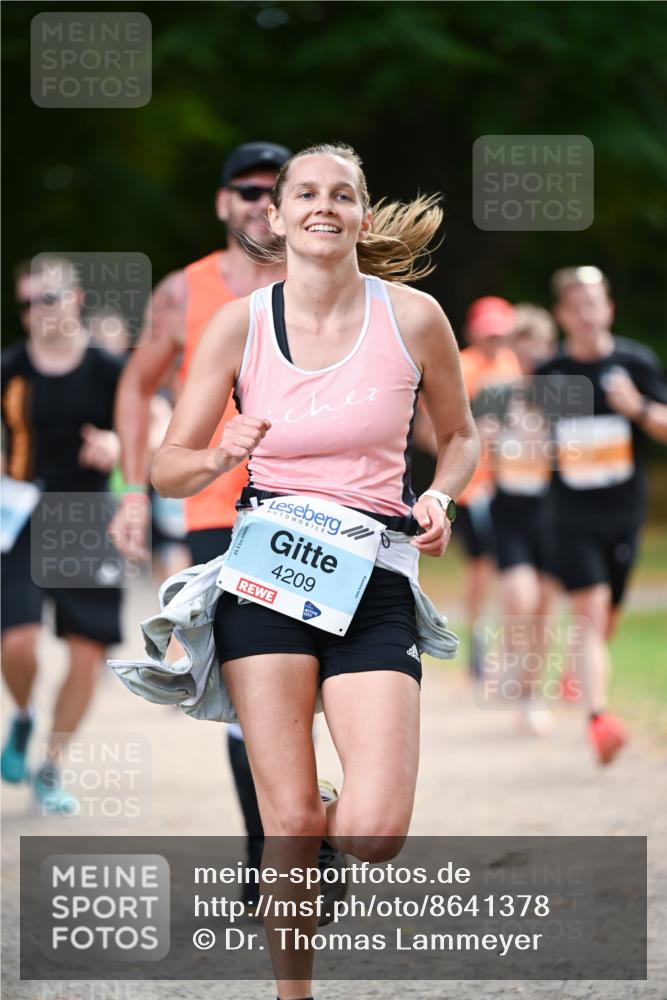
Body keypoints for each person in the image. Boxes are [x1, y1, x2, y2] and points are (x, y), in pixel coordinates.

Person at [150, 143, 478, 1000]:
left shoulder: (413, 319)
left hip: (372, 578)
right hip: (266, 576)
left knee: (371, 832)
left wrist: (442, 497)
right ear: (277, 215)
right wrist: (219, 451)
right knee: (287, 822)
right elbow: (165, 468)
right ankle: (293, 993)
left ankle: (327, 814)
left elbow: (462, 436)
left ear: (362, 216)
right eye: (305, 193)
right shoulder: (240, 324)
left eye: (342, 194)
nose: (322, 206)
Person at [109, 141, 291, 905]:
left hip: (314, 509)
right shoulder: (184, 292)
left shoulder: (320, 280)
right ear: (223, 202)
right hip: (217, 512)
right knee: (248, 691)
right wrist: (130, 490)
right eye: (245, 189)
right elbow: (134, 384)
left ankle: (308, 826)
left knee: (314, 686)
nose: (258, 201)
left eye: (272, 190)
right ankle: (269, 857)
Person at [1, 256, 124, 812]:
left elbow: (152, 427)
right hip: (20, 516)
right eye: (26, 303)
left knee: (85, 653)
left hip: (86, 516)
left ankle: (50, 768)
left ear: (75, 299)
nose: (36, 312)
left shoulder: (108, 369)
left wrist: (117, 449)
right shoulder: (10, 370)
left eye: (47, 299)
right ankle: (23, 717)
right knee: (18, 642)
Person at [537, 266, 667, 764]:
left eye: (597, 302)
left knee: (608, 614)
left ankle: (582, 671)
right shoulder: (550, 375)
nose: (590, 313)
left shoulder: (636, 362)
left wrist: (636, 409)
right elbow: (535, 444)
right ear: (564, 314)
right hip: (571, 515)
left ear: (609, 308)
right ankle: (599, 718)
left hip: (625, 513)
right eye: (579, 305)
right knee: (589, 612)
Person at [415, 295, 521, 677]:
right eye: (488, 331)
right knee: (481, 567)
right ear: (474, 331)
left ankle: (500, 642)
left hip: (510, 484)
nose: (495, 339)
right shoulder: (464, 365)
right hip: (474, 489)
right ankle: (477, 638)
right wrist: (463, 455)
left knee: (507, 568)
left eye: (500, 331)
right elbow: (427, 431)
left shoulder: (511, 365)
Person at [478, 305, 559, 733]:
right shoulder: (498, 393)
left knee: (544, 610)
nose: (531, 357)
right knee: (521, 599)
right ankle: (509, 652)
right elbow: (474, 438)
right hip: (509, 508)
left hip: (551, 513)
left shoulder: (563, 394)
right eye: (522, 348)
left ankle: (531, 696)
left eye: (539, 348)